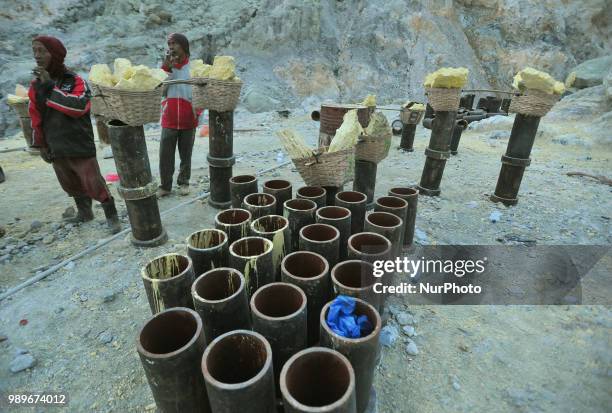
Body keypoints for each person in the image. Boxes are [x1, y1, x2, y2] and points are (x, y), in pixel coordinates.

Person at [28, 35, 121, 234]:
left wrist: (50, 88)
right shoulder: (35, 86)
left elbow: (78, 107)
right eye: (34, 50)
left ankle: (111, 215)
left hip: (78, 144)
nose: (37, 56)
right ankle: (84, 212)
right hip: (55, 145)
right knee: (69, 182)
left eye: (42, 51)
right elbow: (35, 116)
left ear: (55, 54)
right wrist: (41, 144)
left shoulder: (74, 80)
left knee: (93, 182)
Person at [158, 33, 198, 197]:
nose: (171, 47)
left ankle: (184, 182)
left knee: (185, 154)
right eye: (169, 44)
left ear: (184, 46)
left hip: (189, 118)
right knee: (165, 155)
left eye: (174, 43)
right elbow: (160, 91)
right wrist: (166, 68)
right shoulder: (167, 68)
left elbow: (200, 92)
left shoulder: (194, 68)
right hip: (170, 118)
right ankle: (165, 186)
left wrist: (198, 111)